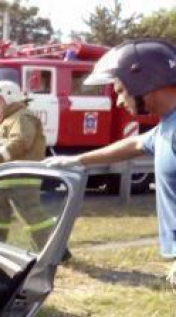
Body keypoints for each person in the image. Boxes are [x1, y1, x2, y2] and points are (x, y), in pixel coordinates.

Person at [45, 39, 176, 273]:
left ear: (144, 80)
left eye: (120, 90)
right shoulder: (166, 128)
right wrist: (77, 160)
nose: (118, 100)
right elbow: (134, 143)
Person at [0, 80, 56, 251]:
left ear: (9, 98)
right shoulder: (8, 119)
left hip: (21, 178)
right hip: (5, 177)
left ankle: (55, 251)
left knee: (32, 216)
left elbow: (21, 142)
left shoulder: (23, 117)